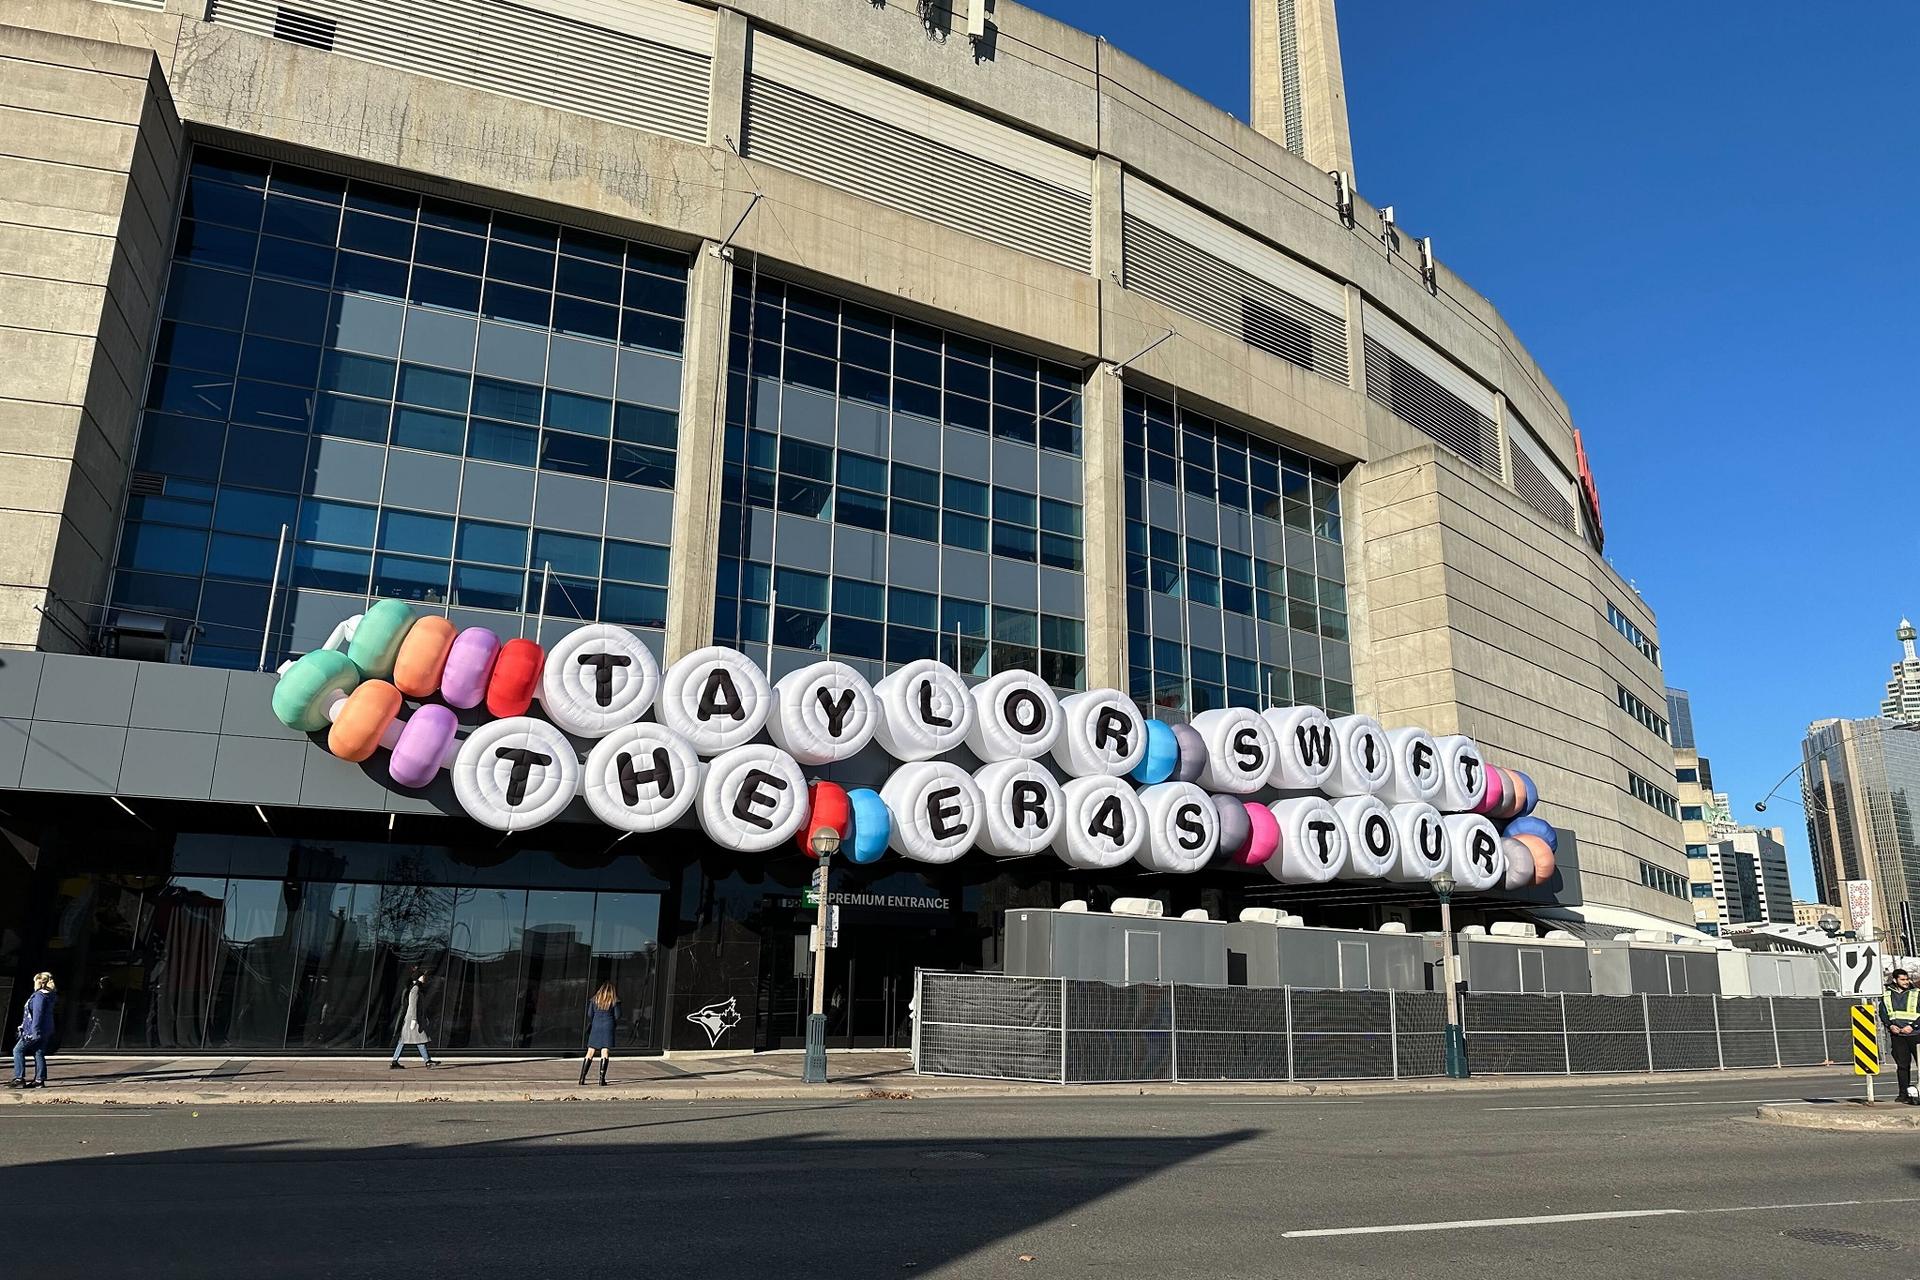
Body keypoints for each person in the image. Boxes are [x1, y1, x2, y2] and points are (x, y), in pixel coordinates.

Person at [9, 973, 58, 1090]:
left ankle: (19, 1078)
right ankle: (39, 1080)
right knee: (39, 1052)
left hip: (34, 1030)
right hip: (46, 1030)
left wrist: (34, 1031)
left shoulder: (39, 996)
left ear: (39, 982)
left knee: (17, 1050)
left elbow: (37, 1015)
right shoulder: (50, 996)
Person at [1880, 967, 1920, 1104]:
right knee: (1902, 1066)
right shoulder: (1886, 994)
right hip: (1898, 1035)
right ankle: (1903, 1095)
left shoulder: (1916, 993)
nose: (1906, 982)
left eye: (1907, 979)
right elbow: (1883, 1012)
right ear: (1895, 980)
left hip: (1916, 1034)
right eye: (1902, 979)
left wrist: (1913, 1026)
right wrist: (1890, 1025)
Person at [389, 969, 439, 1070]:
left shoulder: (416, 988)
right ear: (419, 977)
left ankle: (395, 1061)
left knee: (404, 1040)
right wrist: (414, 1019)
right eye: (423, 976)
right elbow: (413, 1005)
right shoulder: (415, 989)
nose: (425, 978)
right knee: (420, 1038)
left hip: (411, 1018)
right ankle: (427, 1061)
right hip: (412, 1019)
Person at [579, 982, 620, 1087]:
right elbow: (617, 1015)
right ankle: (601, 1080)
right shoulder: (614, 1001)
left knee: (590, 1052)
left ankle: (582, 1078)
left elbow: (589, 1014)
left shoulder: (594, 1000)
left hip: (596, 1026)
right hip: (608, 1027)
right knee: (605, 1052)